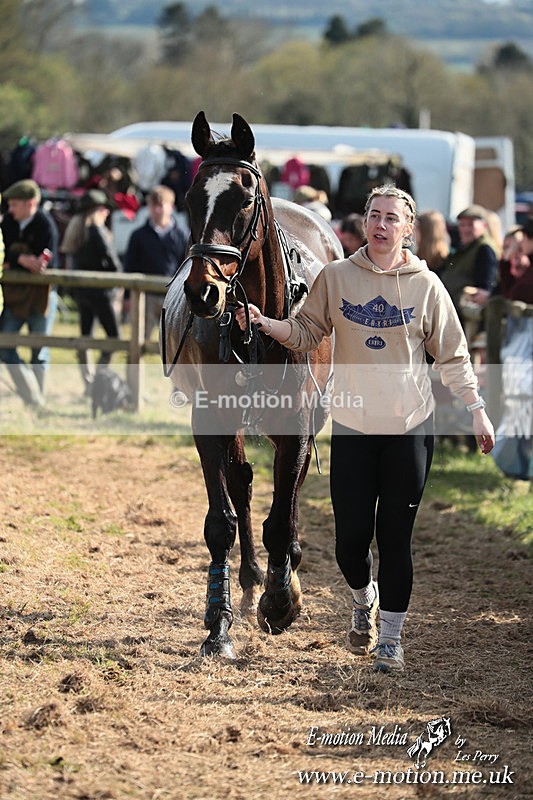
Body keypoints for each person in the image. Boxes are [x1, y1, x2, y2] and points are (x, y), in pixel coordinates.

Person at [236, 185, 495, 675]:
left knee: (395, 539)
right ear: (365, 223)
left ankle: (391, 641)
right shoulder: (336, 277)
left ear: (407, 228)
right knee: (350, 543)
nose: (380, 225)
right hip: (353, 427)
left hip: (409, 430)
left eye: (391, 218)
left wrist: (476, 408)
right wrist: (267, 322)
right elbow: (306, 330)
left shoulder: (427, 286)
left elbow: (454, 357)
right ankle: (363, 599)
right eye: (374, 215)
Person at [0, 179, 59, 406]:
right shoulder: (9, 224)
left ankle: (38, 401)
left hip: (40, 297)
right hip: (15, 297)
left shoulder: (46, 224)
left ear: (30, 204)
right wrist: (21, 259)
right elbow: (5, 253)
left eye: (15, 204)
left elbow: (48, 259)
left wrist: (24, 262)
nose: (10, 210)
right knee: (5, 345)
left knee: (39, 351)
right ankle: (31, 394)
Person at [61, 189, 122, 391]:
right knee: (115, 339)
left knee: (85, 337)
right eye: (104, 208)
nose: (107, 212)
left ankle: (88, 381)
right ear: (97, 210)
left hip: (82, 293)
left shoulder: (76, 231)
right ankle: (97, 380)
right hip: (101, 294)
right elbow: (114, 265)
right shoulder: (97, 232)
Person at [123, 185, 188, 339]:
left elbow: (186, 266)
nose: (157, 210)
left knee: (174, 342)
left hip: (173, 296)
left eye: (161, 205)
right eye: (154, 205)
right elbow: (130, 266)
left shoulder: (183, 235)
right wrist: (127, 296)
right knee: (138, 339)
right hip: (145, 296)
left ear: (171, 207)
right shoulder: (138, 235)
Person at [438, 204, 498, 332]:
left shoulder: (484, 249)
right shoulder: (466, 247)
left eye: (471, 225)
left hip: (466, 319)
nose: (465, 229)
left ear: (484, 226)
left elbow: (484, 288)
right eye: (462, 225)